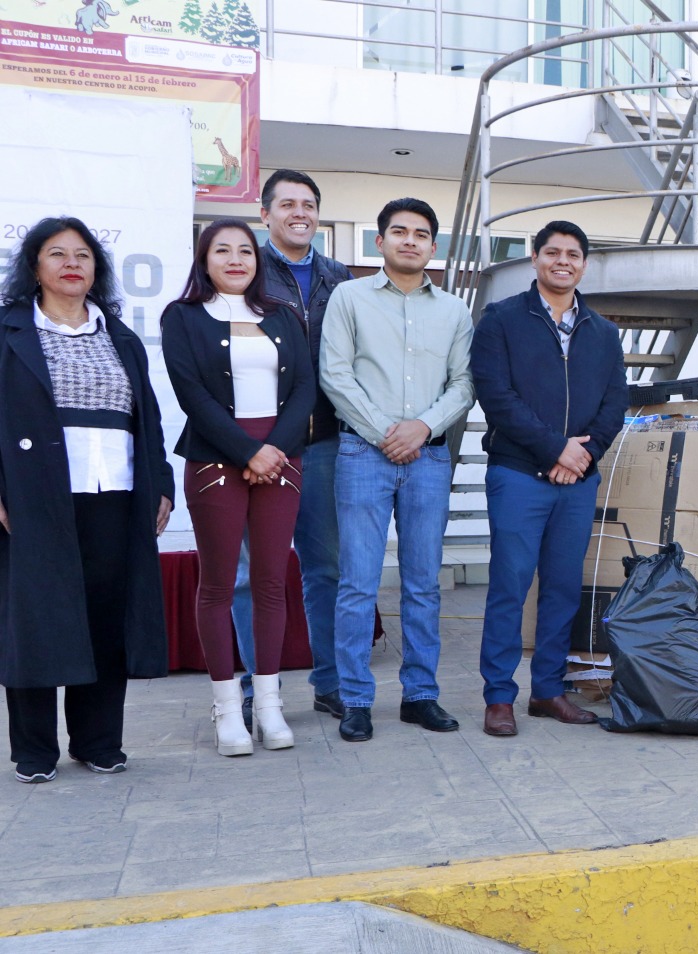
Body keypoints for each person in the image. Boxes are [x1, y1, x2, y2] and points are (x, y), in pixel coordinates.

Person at [0, 216, 174, 782]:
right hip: (34, 498)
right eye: (57, 253)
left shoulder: (119, 336)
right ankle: (33, 751)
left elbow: (145, 418)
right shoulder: (8, 332)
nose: (72, 263)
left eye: (83, 254)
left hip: (116, 496)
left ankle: (98, 741)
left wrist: (161, 483)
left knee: (106, 619)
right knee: (37, 620)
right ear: (34, 268)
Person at [320, 198, 474, 742]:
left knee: (423, 585)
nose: (410, 241)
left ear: (434, 247)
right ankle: (356, 698)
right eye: (399, 232)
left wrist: (422, 428)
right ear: (380, 241)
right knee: (358, 583)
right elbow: (335, 374)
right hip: (364, 454)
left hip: (428, 458)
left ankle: (421, 695)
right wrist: (388, 430)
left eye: (421, 234)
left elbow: (464, 384)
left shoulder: (455, 311)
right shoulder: (349, 297)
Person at [162, 219, 317, 756]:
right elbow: (192, 394)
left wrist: (272, 450)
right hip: (215, 460)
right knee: (218, 585)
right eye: (222, 250)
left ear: (258, 260)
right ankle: (227, 709)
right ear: (204, 260)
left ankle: (270, 706)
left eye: (245, 250)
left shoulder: (282, 316)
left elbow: (304, 387)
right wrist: (246, 451)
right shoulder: (182, 317)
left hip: (282, 458)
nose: (235, 259)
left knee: (273, 583)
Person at [472, 220, 627, 736]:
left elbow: (613, 405)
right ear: (534, 257)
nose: (563, 261)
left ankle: (548, 691)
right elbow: (496, 396)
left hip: (577, 480)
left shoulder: (603, 332)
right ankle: (499, 697)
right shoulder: (501, 319)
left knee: (562, 588)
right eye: (553, 252)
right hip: (518, 473)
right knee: (510, 587)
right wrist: (555, 449)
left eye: (574, 254)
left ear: (584, 263)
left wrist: (582, 456)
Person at [226, 169, 354, 723]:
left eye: (309, 204)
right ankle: (257, 688)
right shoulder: (244, 268)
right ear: (266, 214)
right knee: (255, 574)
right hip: (256, 447)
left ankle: (330, 683)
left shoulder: (340, 278)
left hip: (322, 444)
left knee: (327, 569)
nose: (299, 212)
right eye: (287, 204)